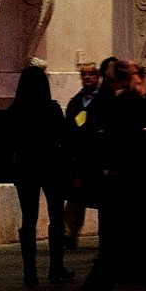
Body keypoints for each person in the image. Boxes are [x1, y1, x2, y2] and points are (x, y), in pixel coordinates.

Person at [70, 60, 146, 291]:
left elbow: (109, 143)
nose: (104, 82)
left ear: (116, 80)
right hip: (142, 182)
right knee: (141, 243)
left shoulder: (120, 105)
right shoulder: (142, 102)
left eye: (107, 78)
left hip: (123, 183)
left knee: (115, 244)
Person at [9, 64, 73, 285]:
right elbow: (64, 139)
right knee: (56, 217)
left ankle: (30, 272)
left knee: (28, 218)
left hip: (25, 168)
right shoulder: (51, 109)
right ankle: (55, 267)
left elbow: (9, 142)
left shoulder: (14, 111)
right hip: (51, 167)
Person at [62, 64, 100, 252]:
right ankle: (69, 233)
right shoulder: (76, 101)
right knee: (76, 195)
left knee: (102, 198)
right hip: (80, 157)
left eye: (91, 74)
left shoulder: (104, 100)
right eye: (84, 75)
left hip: (98, 156)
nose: (87, 78)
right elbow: (70, 126)